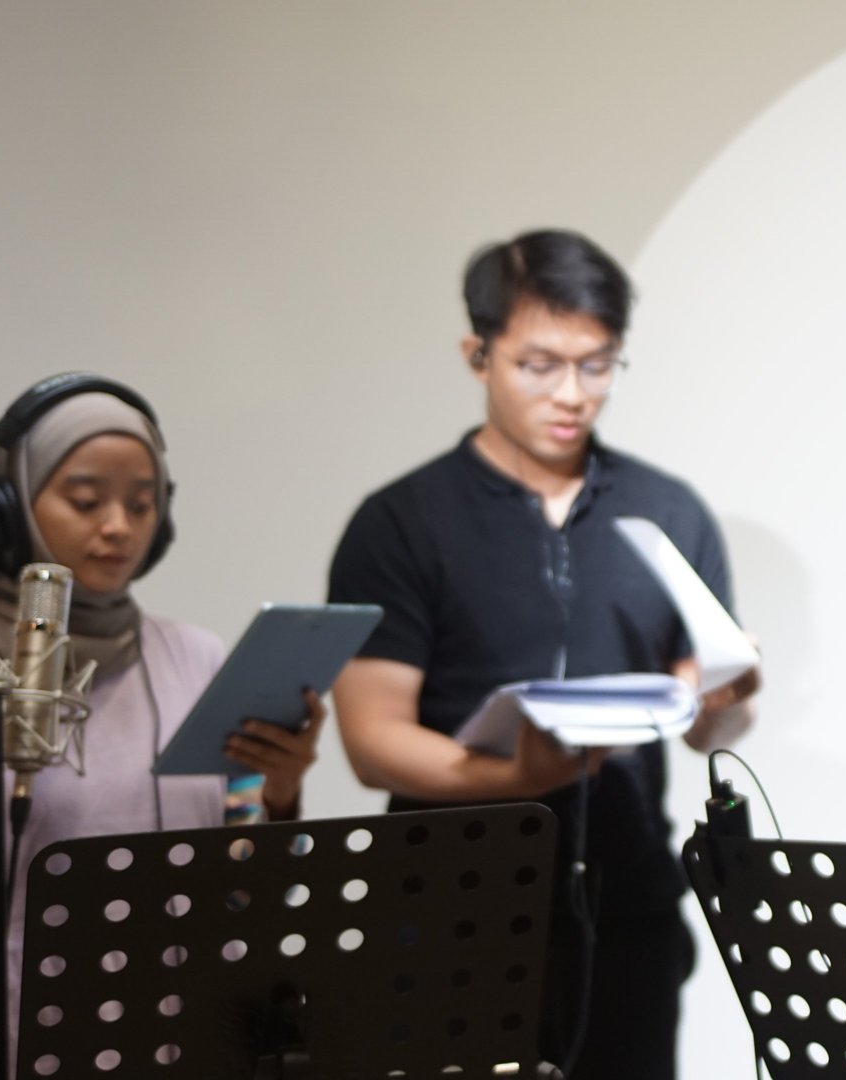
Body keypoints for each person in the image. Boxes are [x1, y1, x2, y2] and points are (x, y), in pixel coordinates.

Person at [327, 227, 756, 1079]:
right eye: (539, 365)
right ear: (477, 355)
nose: (572, 395)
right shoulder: (402, 522)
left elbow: (711, 727)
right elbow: (372, 741)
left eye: (597, 366)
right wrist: (514, 781)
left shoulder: (667, 510)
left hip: (628, 914)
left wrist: (723, 697)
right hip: (447, 914)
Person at [0, 373, 324, 1075]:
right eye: (86, 501)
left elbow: (250, 894)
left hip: (198, 1039)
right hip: (30, 1045)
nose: (119, 526)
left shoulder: (198, 658)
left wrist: (281, 794)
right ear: (5, 513)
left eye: (142, 504)